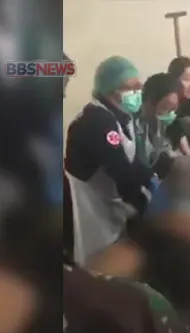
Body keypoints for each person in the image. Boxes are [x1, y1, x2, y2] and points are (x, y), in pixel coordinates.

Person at [64, 56, 162, 265]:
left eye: (139, 87)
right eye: (131, 88)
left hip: (110, 206)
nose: (137, 93)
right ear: (111, 90)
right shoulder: (96, 121)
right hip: (92, 211)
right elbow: (122, 174)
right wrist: (152, 210)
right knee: (98, 265)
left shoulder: (122, 116)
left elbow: (133, 163)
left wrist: (153, 180)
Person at [134, 72, 183, 165]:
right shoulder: (132, 126)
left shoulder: (159, 126)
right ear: (148, 103)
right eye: (165, 108)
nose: (170, 114)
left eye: (173, 109)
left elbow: (163, 149)